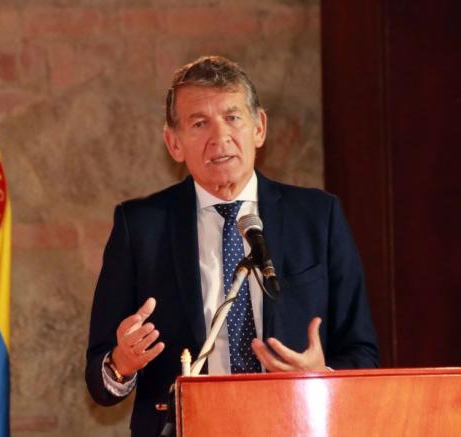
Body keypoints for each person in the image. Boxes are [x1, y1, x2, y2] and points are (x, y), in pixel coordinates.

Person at [85, 55, 379, 437]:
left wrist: (321, 376)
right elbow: (99, 379)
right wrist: (121, 364)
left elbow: (363, 353)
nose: (219, 137)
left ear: (259, 128)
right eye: (199, 123)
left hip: (294, 426)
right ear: (174, 143)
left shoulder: (318, 217)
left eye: (233, 117)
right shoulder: (139, 227)